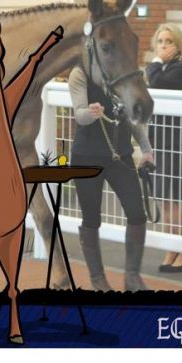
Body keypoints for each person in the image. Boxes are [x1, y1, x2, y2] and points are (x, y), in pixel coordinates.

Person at [68, 55, 154, 291]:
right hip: (86, 158)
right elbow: (80, 115)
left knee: (137, 213)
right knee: (91, 218)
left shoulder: (120, 74)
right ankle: (98, 279)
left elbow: (132, 117)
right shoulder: (79, 74)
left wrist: (146, 149)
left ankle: (132, 277)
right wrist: (90, 112)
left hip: (120, 156)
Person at [145, 24, 182, 273]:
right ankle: (171, 247)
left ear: (178, 45)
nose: (163, 46)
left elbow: (157, 83)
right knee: (163, 199)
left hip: (177, 140)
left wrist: (155, 62)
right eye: (160, 41)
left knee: (173, 198)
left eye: (169, 41)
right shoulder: (163, 67)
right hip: (159, 138)